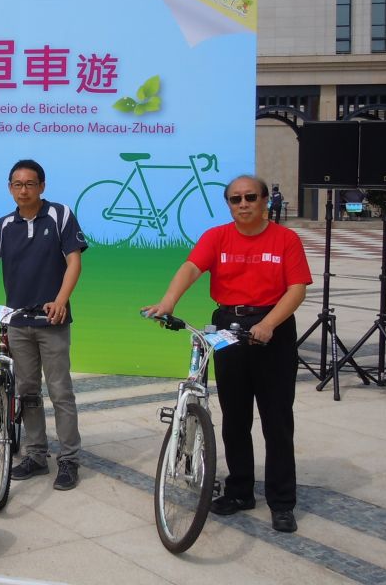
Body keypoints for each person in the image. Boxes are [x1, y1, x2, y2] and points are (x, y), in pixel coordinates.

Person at [144, 175, 312, 533]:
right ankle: (239, 491)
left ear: (265, 201)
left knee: (277, 421)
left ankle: (282, 501)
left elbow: (297, 289)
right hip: (228, 327)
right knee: (235, 418)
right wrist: (168, 302)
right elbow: (191, 268)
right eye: (236, 199)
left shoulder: (286, 239)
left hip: (273, 329)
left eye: (250, 197)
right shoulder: (217, 237)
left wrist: (269, 323)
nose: (243, 204)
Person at [0, 159, 87, 491]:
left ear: (42, 186)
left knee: (60, 391)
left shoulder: (60, 215)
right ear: (10, 188)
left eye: (30, 184)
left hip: (52, 321)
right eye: (17, 184)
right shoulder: (4, 226)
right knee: (27, 392)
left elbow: (74, 262)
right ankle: (36, 455)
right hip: (18, 322)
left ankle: (69, 459)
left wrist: (61, 300)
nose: (24, 190)